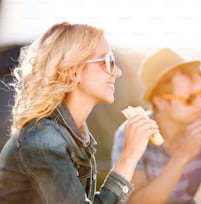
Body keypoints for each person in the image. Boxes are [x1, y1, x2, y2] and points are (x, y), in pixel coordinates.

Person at [0, 22, 160, 204]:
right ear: (73, 71)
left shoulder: (75, 135)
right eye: (107, 61)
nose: (117, 71)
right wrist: (129, 157)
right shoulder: (44, 138)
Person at [111, 48, 201, 204]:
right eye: (189, 98)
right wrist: (182, 156)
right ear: (160, 102)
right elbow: (135, 202)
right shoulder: (134, 132)